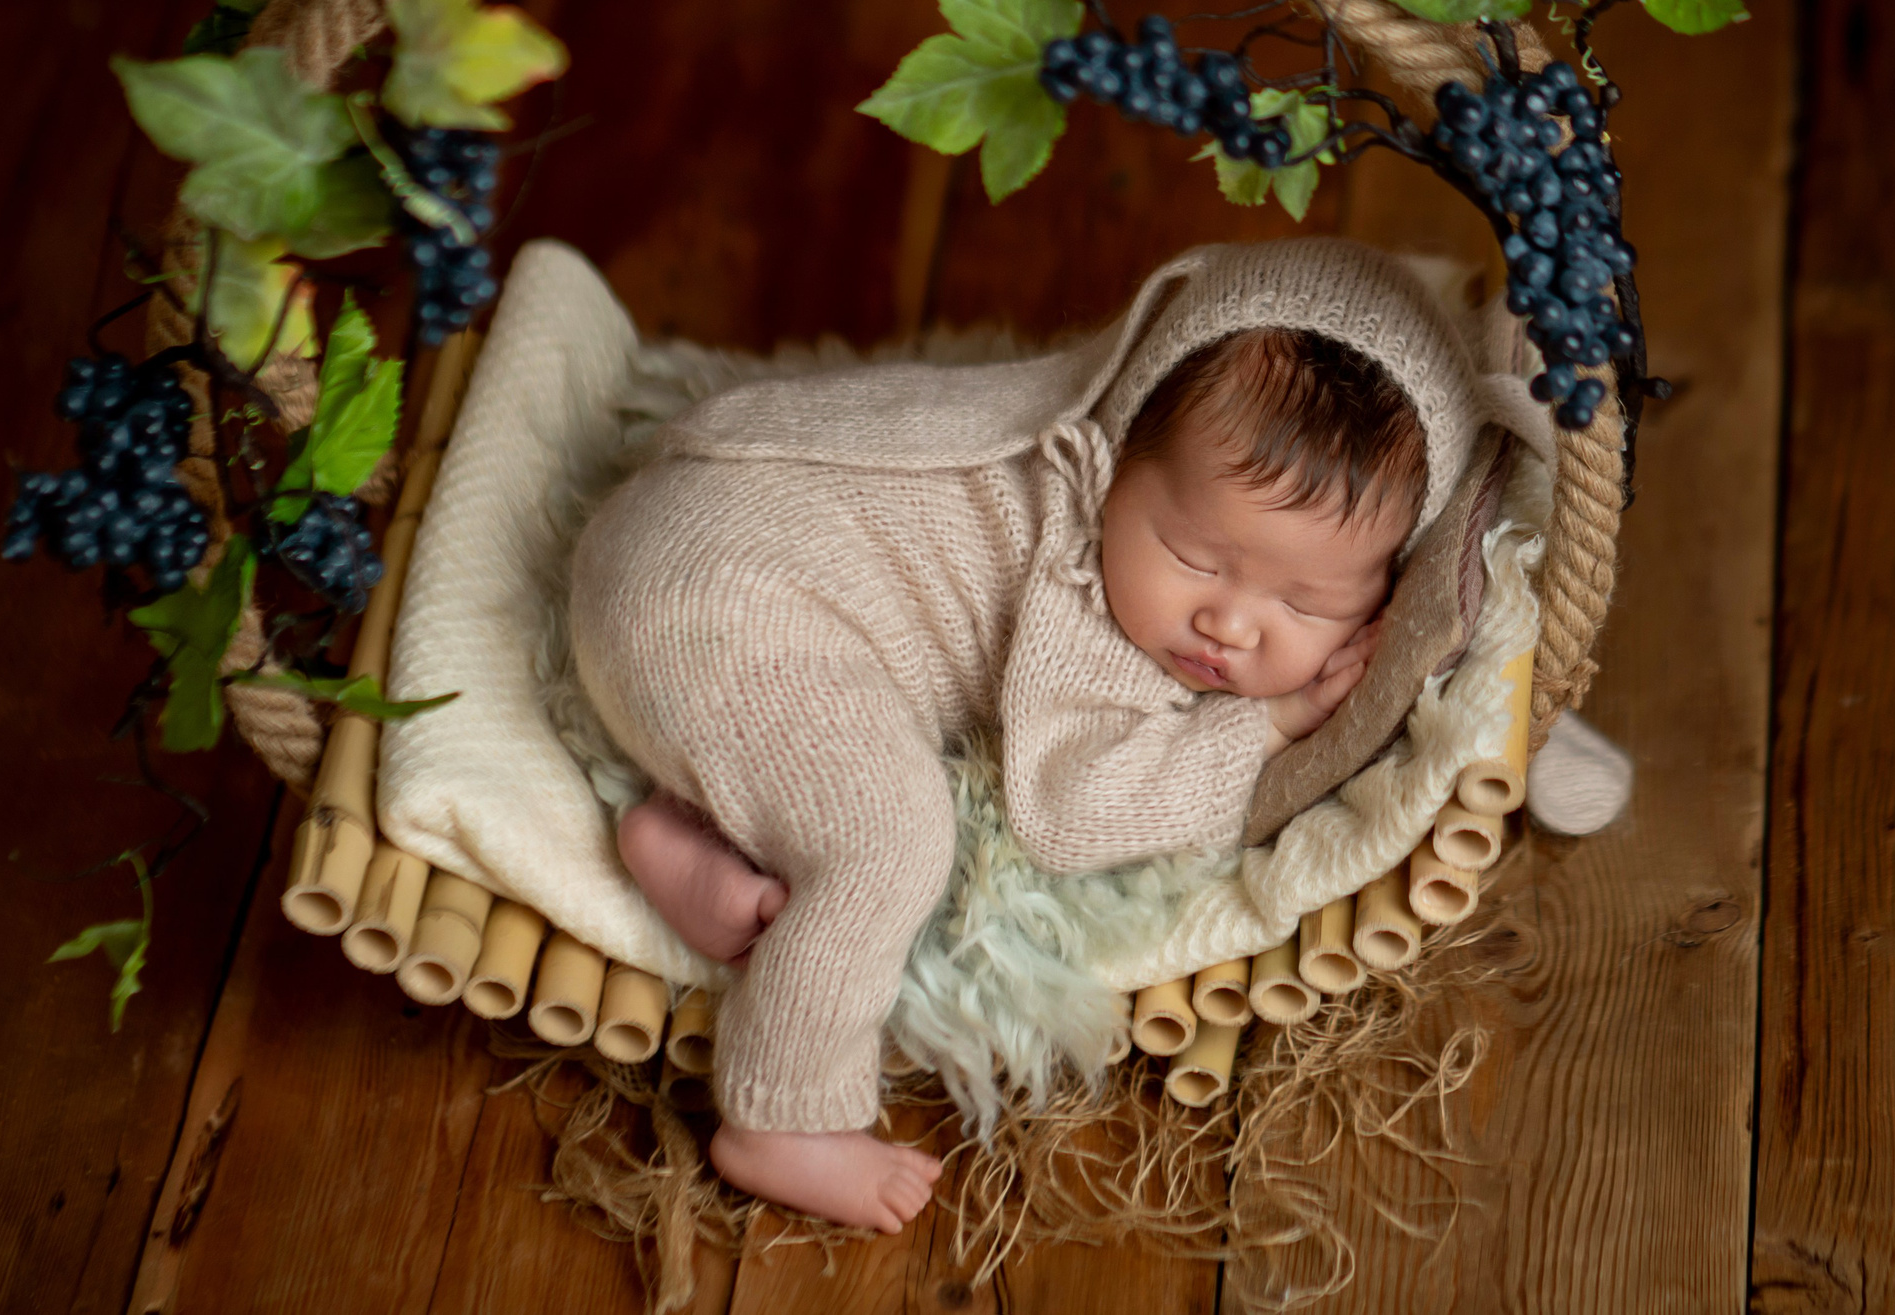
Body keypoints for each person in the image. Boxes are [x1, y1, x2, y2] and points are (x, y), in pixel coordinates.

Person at [568, 238, 1523, 1232]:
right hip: (722, 600)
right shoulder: (1083, 583)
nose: (1230, 626)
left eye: (1307, 602)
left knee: (821, 763)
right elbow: (1066, 809)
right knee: (891, 840)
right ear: (1113, 456)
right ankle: (782, 1113)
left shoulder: (1157, 544)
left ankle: (688, 840)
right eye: (1191, 555)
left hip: (662, 553)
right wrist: (1268, 723)